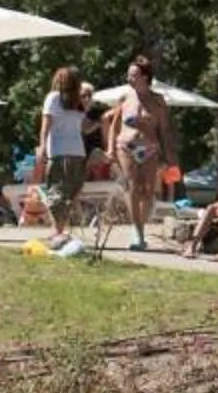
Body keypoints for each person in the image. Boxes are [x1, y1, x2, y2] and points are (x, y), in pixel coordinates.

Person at [100, 57, 173, 253]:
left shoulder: (158, 101)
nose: (129, 78)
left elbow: (165, 129)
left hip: (150, 148)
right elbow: (114, 124)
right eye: (129, 75)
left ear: (145, 77)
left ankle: (140, 225)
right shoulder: (125, 98)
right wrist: (109, 148)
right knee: (132, 187)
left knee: (148, 190)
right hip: (126, 145)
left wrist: (170, 155)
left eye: (133, 75)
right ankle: (137, 232)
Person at [38, 66, 92, 232]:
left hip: (62, 152)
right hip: (74, 152)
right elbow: (84, 128)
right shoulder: (69, 102)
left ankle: (58, 230)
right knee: (63, 193)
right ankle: (59, 230)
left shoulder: (57, 99)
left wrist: (42, 147)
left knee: (61, 193)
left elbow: (46, 125)